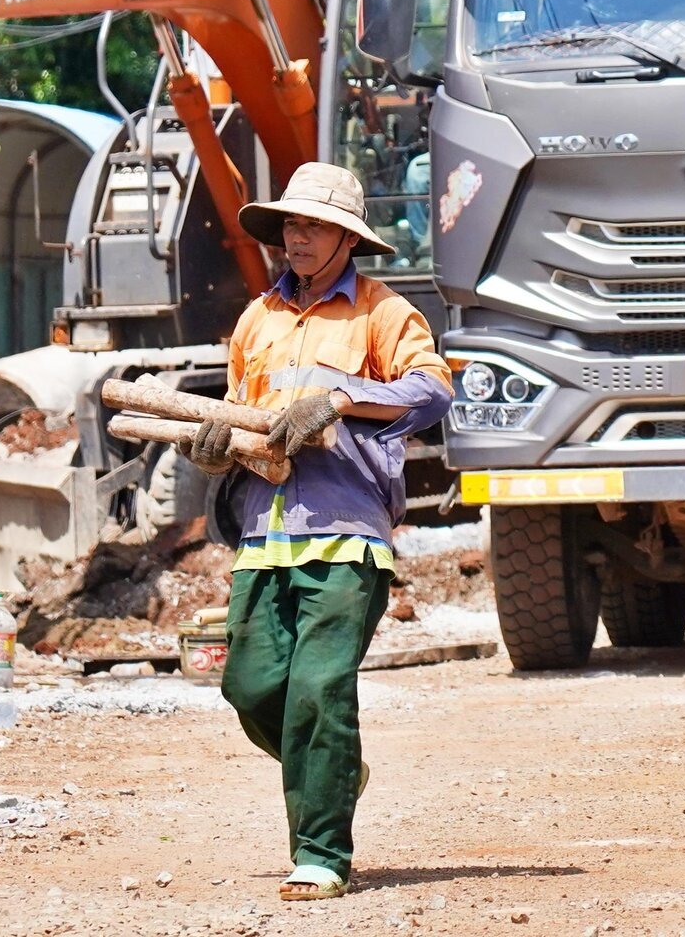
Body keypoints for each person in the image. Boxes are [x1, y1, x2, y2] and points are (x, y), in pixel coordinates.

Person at [179, 162, 451, 901]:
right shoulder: (256, 319)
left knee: (320, 690)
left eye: (313, 227)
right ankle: (337, 768)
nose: (296, 239)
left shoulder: (383, 312)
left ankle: (321, 853)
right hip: (262, 533)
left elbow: (432, 388)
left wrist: (340, 398)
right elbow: (237, 411)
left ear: (346, 240)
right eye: (290, 227)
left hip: (346, 531)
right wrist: (208, 444)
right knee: (250, 685)